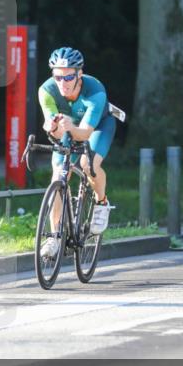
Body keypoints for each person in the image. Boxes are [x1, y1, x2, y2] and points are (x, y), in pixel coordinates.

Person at [37, 46, 116, 258]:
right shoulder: (46, 90)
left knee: (88, 164)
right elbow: (52, 124)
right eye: (57, 77)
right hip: (70, 126)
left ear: (79, 74)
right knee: (58, 175)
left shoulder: (95, 91)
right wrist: (52, 127)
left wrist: (70, 127)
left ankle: (101, 202)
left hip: (97, 126)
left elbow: (84, 133)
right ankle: (54, 237)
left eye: (68, 77)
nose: (62, 83)